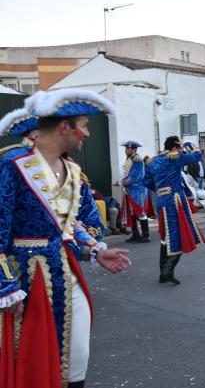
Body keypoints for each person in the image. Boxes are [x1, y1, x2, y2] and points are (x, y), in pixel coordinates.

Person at [0, 90, 131, 388]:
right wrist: (5, 286)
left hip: (65, 273)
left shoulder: (72, 170)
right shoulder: (13, 164)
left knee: (76, 359)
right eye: (83, 125)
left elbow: (68, 225)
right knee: (33, 364)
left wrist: (94, 251)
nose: (86, 134)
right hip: (27, 280)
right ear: (64, 127)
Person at [145, 136, 205, 285]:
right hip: (175, 200)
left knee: (165, 236)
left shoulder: (152, 161)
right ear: (174, 147)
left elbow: (146, 181)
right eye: (178, 147)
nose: (180, 150)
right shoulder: (174, 157)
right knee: (180, 233)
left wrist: (161, 189)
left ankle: (163, 272)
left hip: (161, 200)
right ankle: (167, 270)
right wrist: (190, 146)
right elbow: (198, 156)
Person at [114, 141, 150, 243]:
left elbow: (135, 177)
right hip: (131, 190)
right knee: (132, 212)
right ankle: (136, 234)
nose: (125, 150)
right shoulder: (130, 159)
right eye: (126, 148)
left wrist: (121, 182)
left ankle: (146, 235)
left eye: (127, 148)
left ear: (133, 149)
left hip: (138, 190)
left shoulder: (137, 160)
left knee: (141, 211)